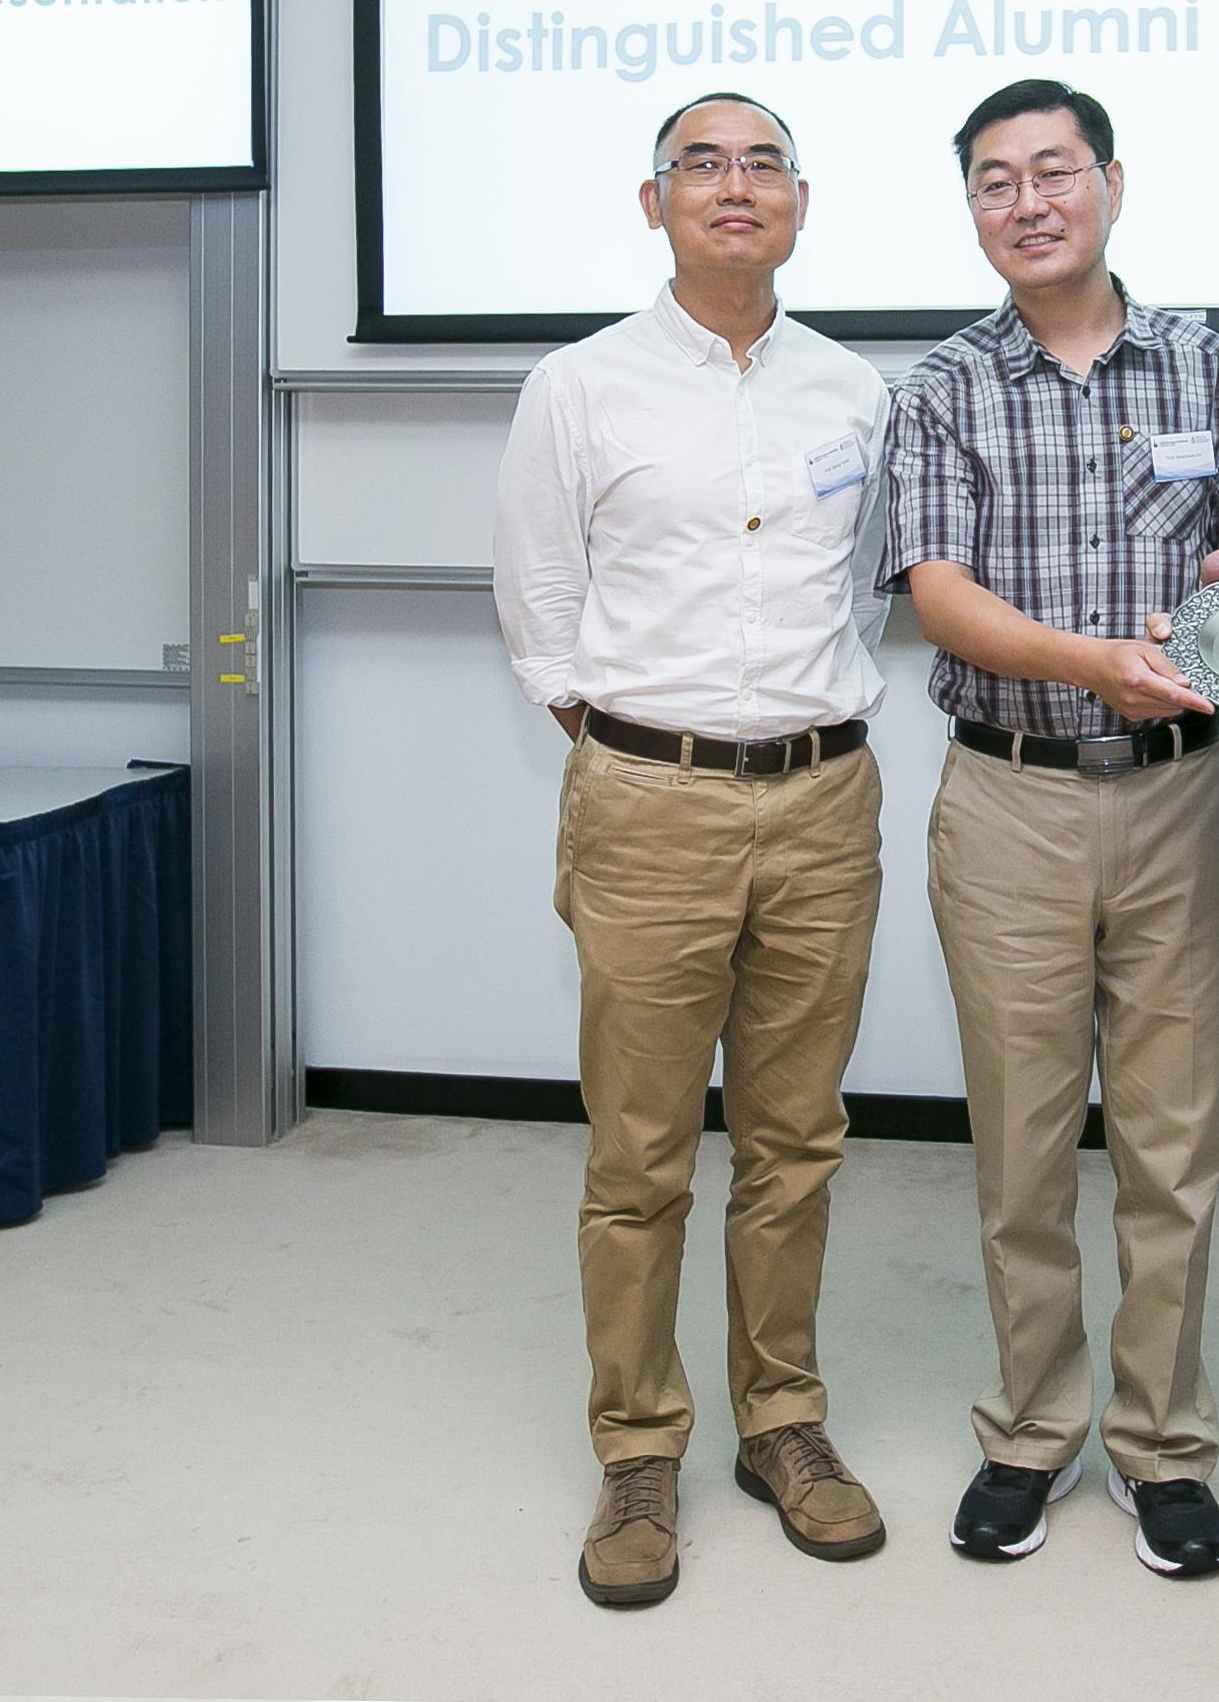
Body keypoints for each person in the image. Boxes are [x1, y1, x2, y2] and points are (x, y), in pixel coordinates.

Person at [493, 91, 895, 1610]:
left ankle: (780, 1423)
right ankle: (638, 1445)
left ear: (802, 198)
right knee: (640, 1156)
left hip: (821, 803)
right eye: (701, 166)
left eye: (764, 165)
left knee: (796, 1144)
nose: (736, 187)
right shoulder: (579, 386)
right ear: (651, 202)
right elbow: (539, 601)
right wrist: (635, 751)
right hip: (647, 804)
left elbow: (860, 594)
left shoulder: (855, 391)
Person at [883, 76, 1219, 1578]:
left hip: (1179, 795)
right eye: (995, 181)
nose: (1027, 201)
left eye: (1053, 171)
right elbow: (939, 599)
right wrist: (1089, 658)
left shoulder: (1202, 364)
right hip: (1010, 802)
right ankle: (1029, 1433)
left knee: (1172, 1148)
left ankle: (1161, 1445)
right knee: (1023, 1148)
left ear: (1111, 184)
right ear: (972, 209)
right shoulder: (939, 387)